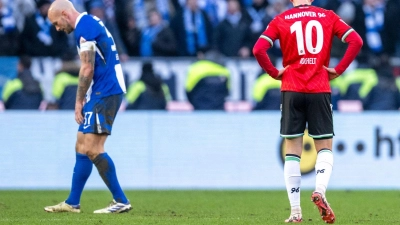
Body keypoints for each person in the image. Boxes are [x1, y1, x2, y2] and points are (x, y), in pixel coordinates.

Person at [253, 0, 362, 223]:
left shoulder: (280, 19)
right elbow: (355, 41)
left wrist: (275, 73)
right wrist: (339, 70)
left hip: (291, 89)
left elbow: (258, 49)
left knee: (292, 149)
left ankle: (295, 212)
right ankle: (320, 191)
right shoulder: (328, 16)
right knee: (324, 147)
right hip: (319, 88)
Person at [43, 0, 131, 213]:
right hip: (102, 90)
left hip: (106, 91)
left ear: (65, 14)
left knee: (92, 148)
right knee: (81, 144)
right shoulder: (90, 22)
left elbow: (87, 68)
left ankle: (121, 200)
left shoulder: (84, 29)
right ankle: (73, 202)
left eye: (56, 23)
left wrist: (78, 101)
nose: (57, 28)